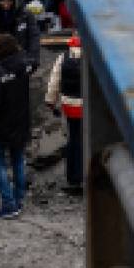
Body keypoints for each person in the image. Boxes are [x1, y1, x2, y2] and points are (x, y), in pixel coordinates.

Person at [0, 32, 32, 220]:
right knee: (18, 160)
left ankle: (8, 204)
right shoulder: (24, 65)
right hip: (21, 121)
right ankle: (18, 199)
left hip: (1, 125)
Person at [44, 35, 85, 194]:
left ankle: (72, 177)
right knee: (83, 139)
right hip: (85, 105)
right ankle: (83, 176)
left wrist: (50, 101)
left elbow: (54, 81)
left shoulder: (63, 57)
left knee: (73, 138)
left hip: (69, 105)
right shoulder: (90, 57)